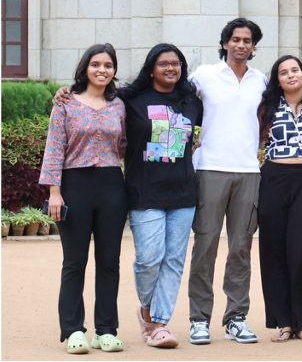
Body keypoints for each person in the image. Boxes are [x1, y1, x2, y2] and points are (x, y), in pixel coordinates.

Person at [40, 44, 128, 354]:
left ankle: (105, 330)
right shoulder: (66, 103)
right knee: (74, 262)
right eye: (96, 64)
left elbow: (126, 146)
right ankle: (73, 330)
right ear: (85, 68)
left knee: (109, 263)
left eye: (108, 65)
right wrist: (54, 191)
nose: (102, 70)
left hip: (111, 186)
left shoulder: (119, 106)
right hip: (74, 185)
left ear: (114, 70)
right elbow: (54, 148)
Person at [187, 18, 268, 345]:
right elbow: (171, 97)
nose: (241, 45)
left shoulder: (261, 81)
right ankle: (198, 319)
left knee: (241, 248)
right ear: (225, 43)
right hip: (209, 169)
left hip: (249, 171)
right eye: (235, 39)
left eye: (247, 41)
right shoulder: (204, 75)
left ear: (253, 46)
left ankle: (236, 317)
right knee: (205, 245)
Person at [117, 44, 203, 349]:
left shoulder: (191, 100)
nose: (171, 68)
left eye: (176, 63)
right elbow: (93, 97)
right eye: (164, 63)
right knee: (149, 258)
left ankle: (158, 323)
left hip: (183, 191)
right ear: (151, 68)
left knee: (175, 259)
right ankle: (146, 310)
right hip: (144, 191)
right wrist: (64, 92)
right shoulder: (131, 99)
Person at [256, 55, 302, 343]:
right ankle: (283, 322)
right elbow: (257, 141)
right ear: (278, 79)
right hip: (273, 179)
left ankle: (300, 322)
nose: (290, 75)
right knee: (273, 253)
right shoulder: (268, 107)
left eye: (294, 69)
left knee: (301, 255)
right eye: (283, 72)